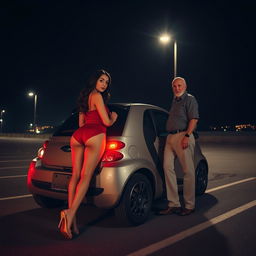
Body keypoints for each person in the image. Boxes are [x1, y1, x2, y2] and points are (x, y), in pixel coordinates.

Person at [58, 69, 118, 239]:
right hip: (95, 134)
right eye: (101, 80)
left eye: (106, 82)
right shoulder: (97, 97)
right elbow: (106, 122)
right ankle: (69, 214)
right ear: (94, 81)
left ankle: (72, 222)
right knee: (86, 176)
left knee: (75, 175)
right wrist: (113, 117)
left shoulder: (84, 98)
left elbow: (81, 123)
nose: (104, 84)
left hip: (79, 136)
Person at [159, 77, 199, 216]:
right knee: (167, 168)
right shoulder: (174, 100)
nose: (177, 88)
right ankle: (173, 204)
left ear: (185, 86)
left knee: (188, 171)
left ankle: (189, 205)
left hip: (183, 136)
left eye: (179, 85)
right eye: (174, 86)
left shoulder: (189, 99)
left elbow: (194, 119)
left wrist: (187, 136)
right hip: (170, 137)